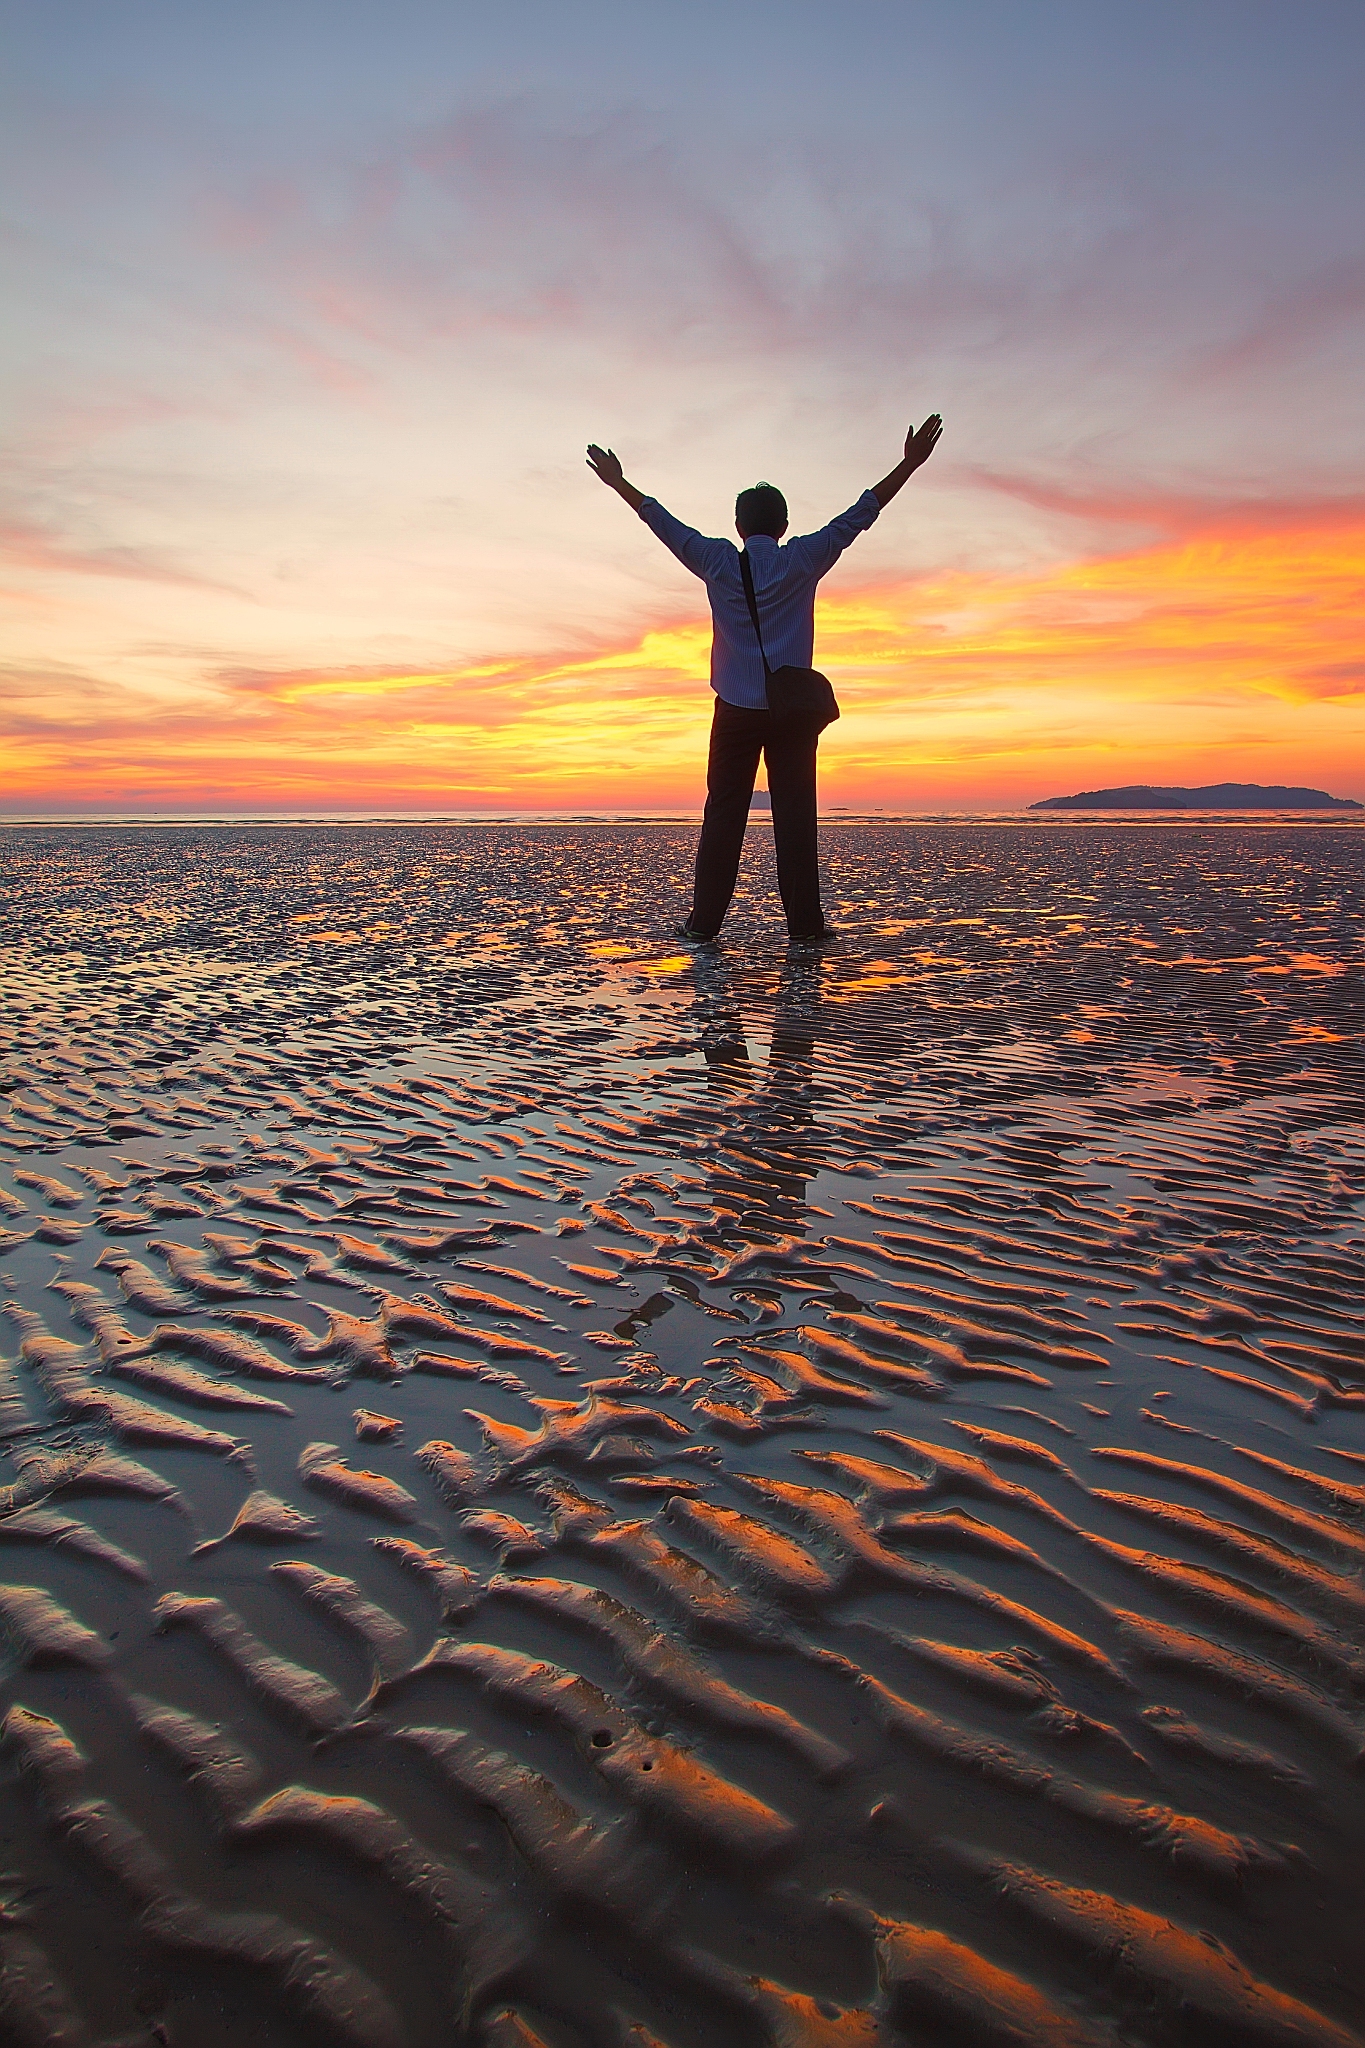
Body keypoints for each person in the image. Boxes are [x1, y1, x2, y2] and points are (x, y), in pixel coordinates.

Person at [587, 416, 942, 944]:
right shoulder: (802, 557)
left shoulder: (716, 559)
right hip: (791, 713)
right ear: (782, 525)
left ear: (738, 526)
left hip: (735, 708)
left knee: (723, 818)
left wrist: (619, 483)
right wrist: (909, 464)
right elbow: (861, 514)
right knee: (796, 819)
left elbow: (661, 523)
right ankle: (805, 928)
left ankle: (704, 925)